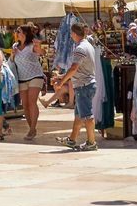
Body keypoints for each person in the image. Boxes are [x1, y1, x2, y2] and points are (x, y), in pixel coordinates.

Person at [55, 19, 98, 153]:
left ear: (74, 33)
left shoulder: (80, 48)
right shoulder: (88, 45)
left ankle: (91, 142)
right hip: (86, 83)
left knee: (87, 115)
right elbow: (79, 69)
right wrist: (62, 77)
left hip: (83, 86)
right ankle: (72, 139)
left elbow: (74, 68)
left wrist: (61, 82)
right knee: (79, 115)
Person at [12, 25, 45, 139]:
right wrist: (12, 54)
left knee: (32, 102)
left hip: (35, 76)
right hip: (22, 78)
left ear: (25, 34)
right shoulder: (15, 46)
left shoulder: (32, 46)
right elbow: (12, 61)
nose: (16, 33)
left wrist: (38, 46)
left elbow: (42, 52)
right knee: (25, 105)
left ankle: (31, 129)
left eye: (19, 31)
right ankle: (32, 128)